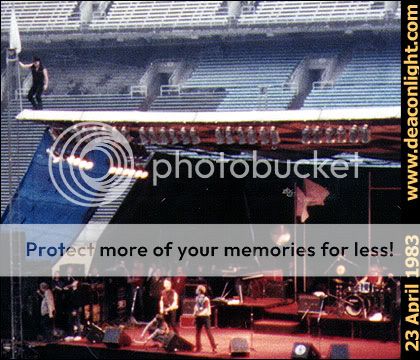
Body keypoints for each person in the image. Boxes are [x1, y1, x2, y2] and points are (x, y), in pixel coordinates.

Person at [193, 285, 217, 353]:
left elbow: (205, 309)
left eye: (197, 289)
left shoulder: (206, 299)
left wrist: (198, 313)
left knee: (208, 332)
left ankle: (214, 347)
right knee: (197, 333)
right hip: (199, 317)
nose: (196, 290)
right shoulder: (197, 298)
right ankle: (198, 347)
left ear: (200, 291)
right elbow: (196, 306)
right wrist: (195, 314)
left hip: (205, 317)